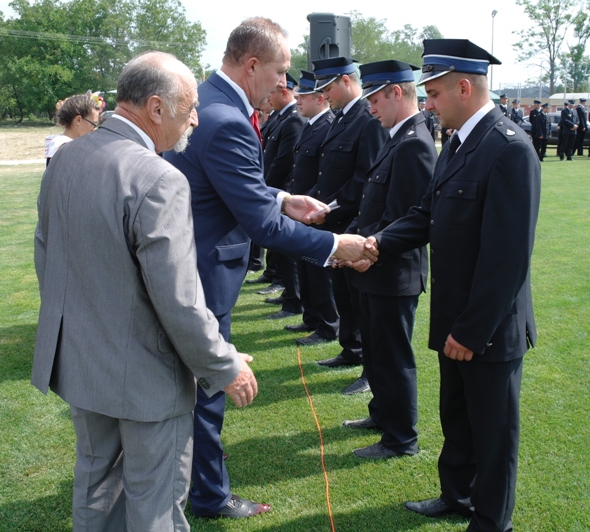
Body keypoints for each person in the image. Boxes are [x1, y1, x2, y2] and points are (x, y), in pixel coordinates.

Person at [32, 51, 260, 531]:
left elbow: (47, 259)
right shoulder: (158, 177)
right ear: (156, 108)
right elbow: (179, 299)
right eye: (190, 107)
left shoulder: (67, 156)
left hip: (83, 364)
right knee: (155, 507)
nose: (194, 119)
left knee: (96, 494)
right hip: (146, 379)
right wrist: (225, 364)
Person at [164, 18, 371, 520]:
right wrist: (336, 246)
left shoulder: (209, 102)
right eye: (280, 71)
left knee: (191, 387)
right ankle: (209, 495)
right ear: (252, 65)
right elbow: (263, 227)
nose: (284, 82)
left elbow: (227, 187)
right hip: (205, 274)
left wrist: (281, 198)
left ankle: (190, 479)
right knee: (208, 389)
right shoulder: (227, 118)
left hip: (190, 264)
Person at [352, 39, 540, 531]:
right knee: (457, 417)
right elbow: (425, 215)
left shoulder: (509, 149)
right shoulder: (458, 143)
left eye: (433, 94)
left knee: (493, 433)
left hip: (488, 328)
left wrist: (473, 331)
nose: (429, 104)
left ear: (463, 88)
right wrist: (376, 243)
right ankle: (456, 497)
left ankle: (491, 521)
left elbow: (508, 259)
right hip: (455, 315)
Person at [339, 60, 436, 460]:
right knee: (378, 352)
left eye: (376, 99)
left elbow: (407, 217)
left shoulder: (414, 143)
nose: (371, 107)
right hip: (374, 266)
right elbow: (374, 206)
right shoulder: (397, 137)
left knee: (393, 357)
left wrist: (367, 249)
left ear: (397, 92)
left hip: (392, 271)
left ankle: (401, 438)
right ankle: (381, 414)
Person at [306, 56, 387, 397]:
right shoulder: (343, 118)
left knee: (359, 300)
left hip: (354, 223)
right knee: (343, 293)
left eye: (328, 88)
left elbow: (365, 178)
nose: (324, 95)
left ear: (345, 81)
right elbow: (328, 174)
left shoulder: (367, 120)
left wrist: (329, 209)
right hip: (335, 222)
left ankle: (368, 365)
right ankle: (351, 349)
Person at [285, 71, 339, 342]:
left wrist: (311, 203)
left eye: (303, 97)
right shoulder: (309, 125)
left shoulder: (327, 126)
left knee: (319, 272)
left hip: (316, 209)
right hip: (302, 208)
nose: (298, 101)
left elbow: (324, 174)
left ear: (320, 99)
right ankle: (311, 317)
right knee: (305, 268)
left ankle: (327, 324)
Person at [261, 73, 306, 320]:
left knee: (288, 252)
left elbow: (284, 162)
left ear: (284, 91)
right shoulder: (281, 118)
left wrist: (266, 189)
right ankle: (289, 294)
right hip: (274, 190)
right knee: (280, 249)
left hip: (283, 191)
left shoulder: (293, 119)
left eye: (273, 92)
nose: (268, 97)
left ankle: (294, 299)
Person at [44, 94, 100, 166]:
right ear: (78, 120)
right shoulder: (67, 149)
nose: (94, 129)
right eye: (93, 124)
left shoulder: (58, 145)